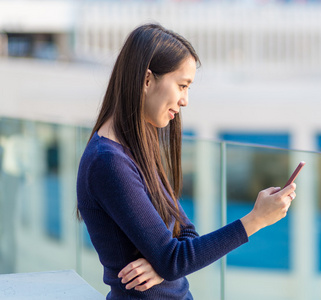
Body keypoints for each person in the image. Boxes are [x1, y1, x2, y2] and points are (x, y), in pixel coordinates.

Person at [76, 23, 296, 300]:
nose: (185, 101)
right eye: (182, 86)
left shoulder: (136, 147)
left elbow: (186, 235)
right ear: (147, 80)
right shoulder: (108, 163)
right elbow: (174, 259)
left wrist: (164, 265)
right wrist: (256, 220)